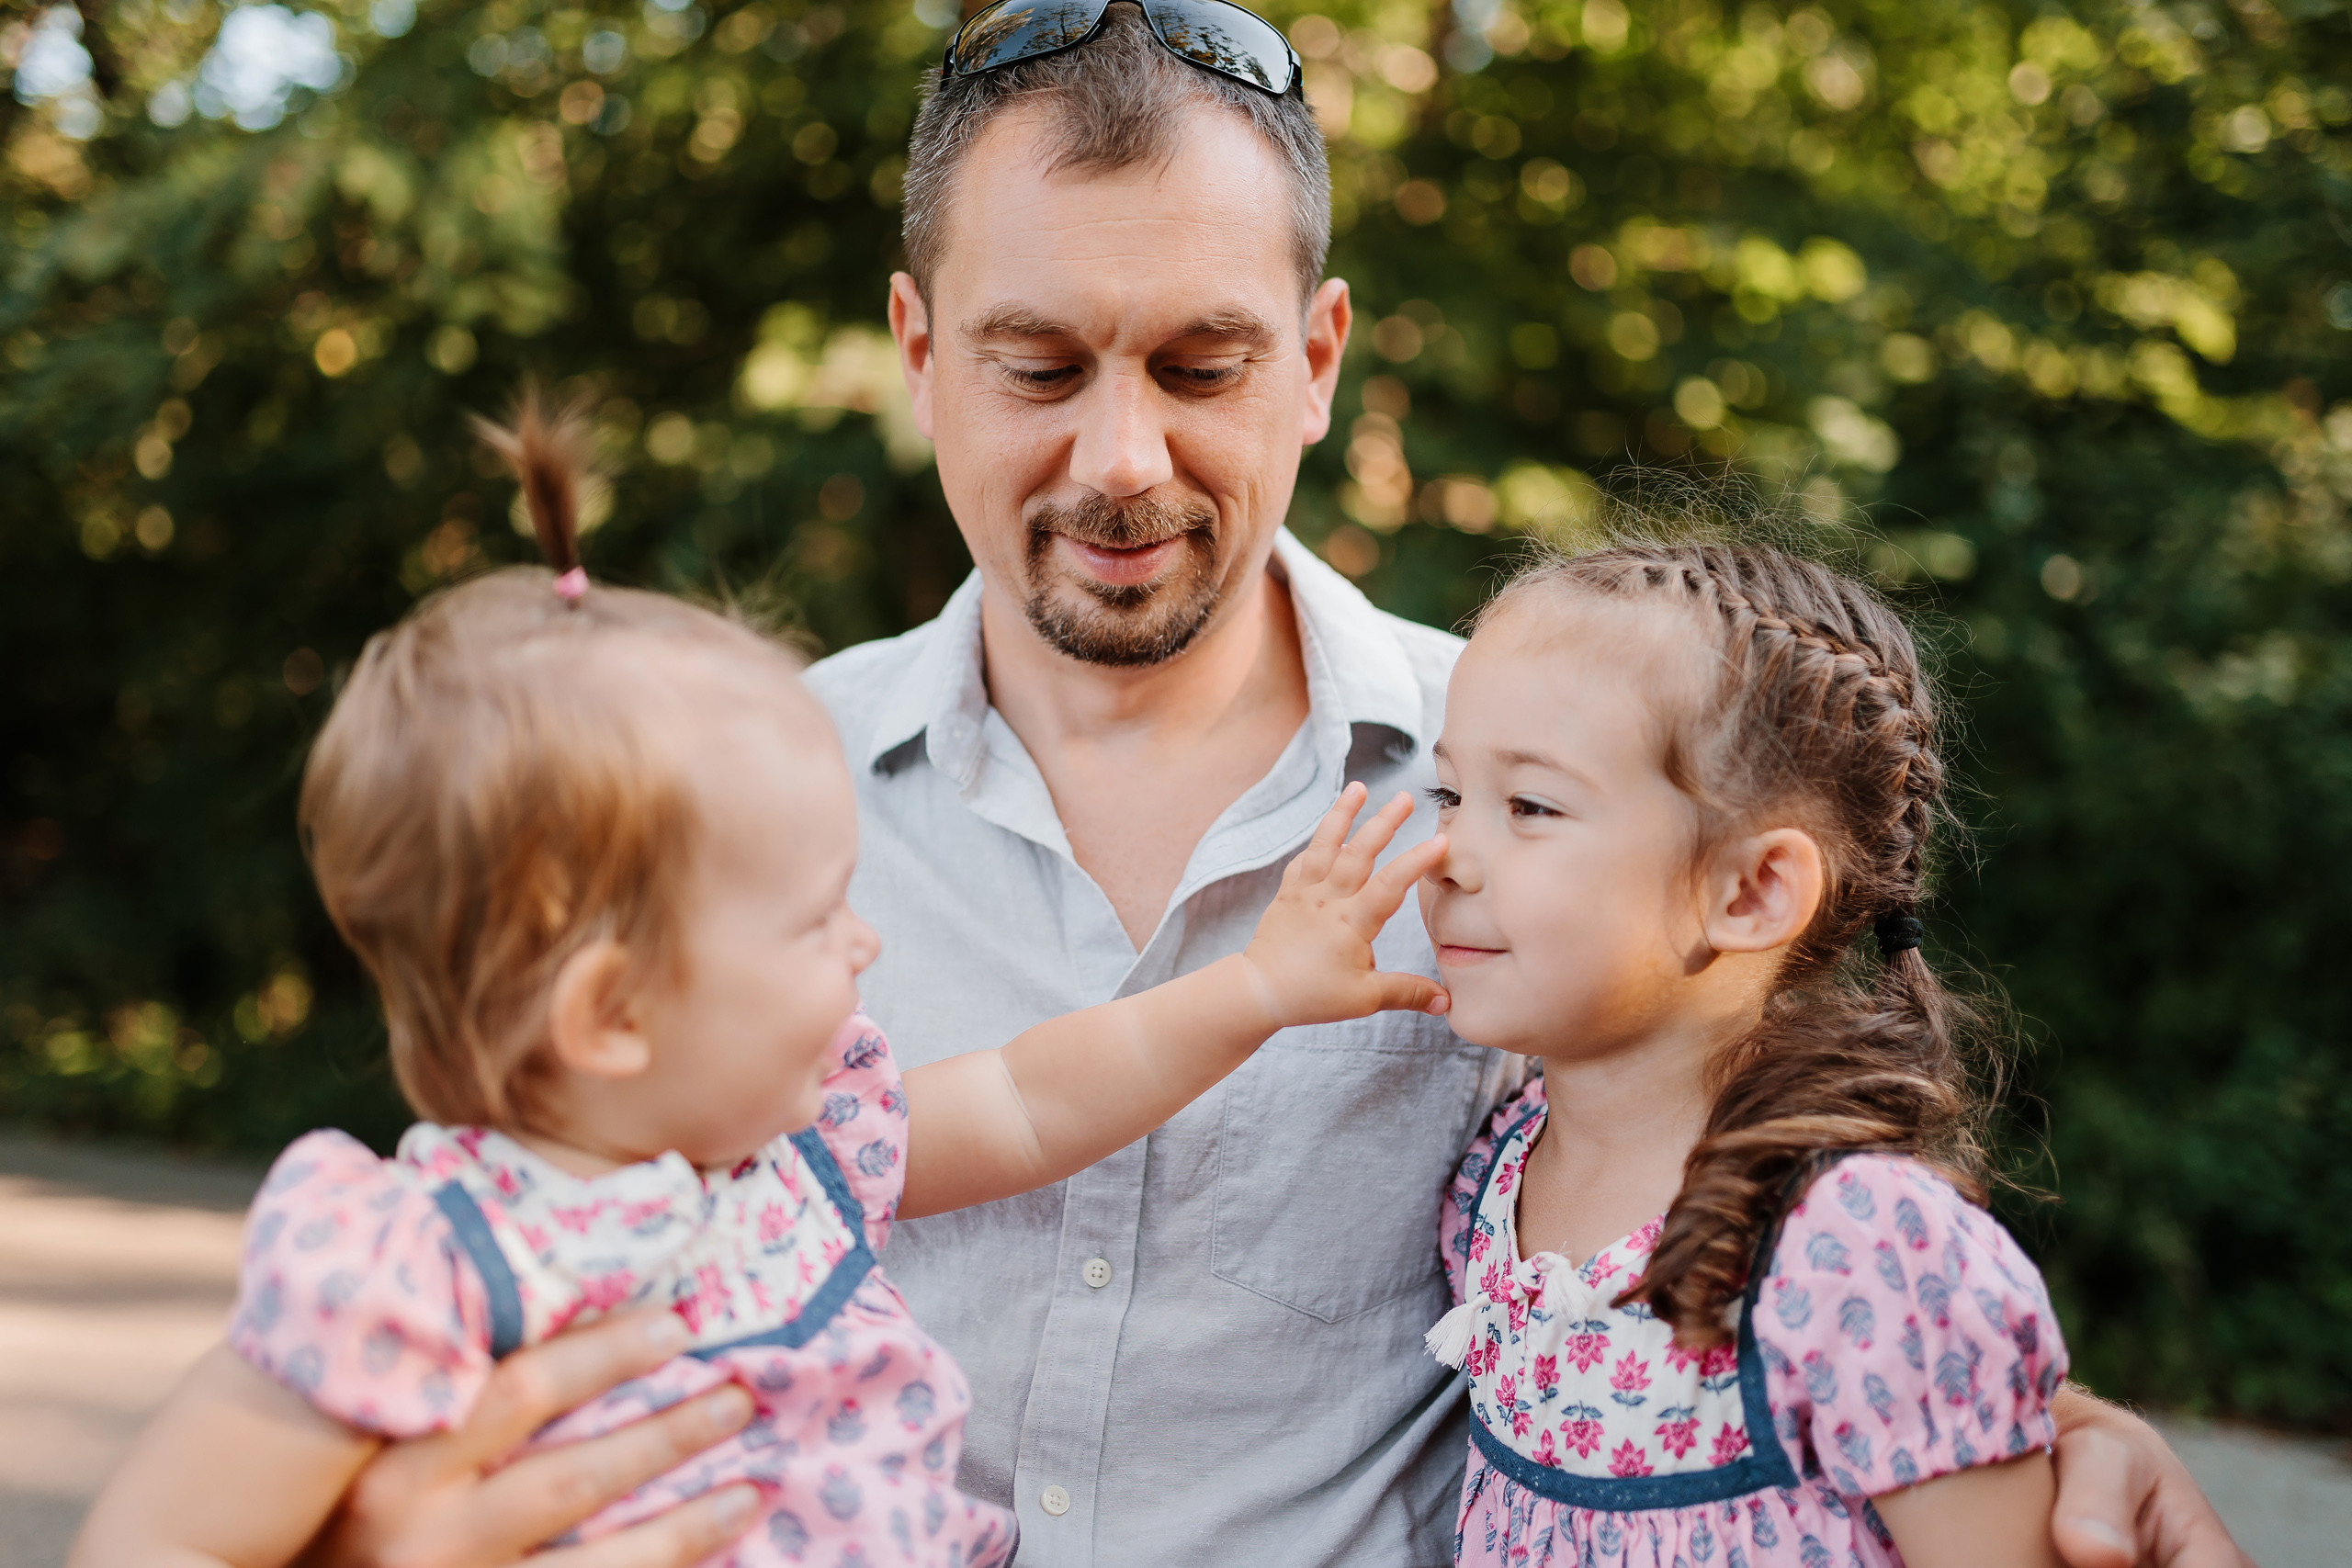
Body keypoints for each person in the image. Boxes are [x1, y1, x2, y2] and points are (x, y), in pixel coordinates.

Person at [294, 5, 2246, 1565]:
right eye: (1038, 366)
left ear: (1314, 358)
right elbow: (496, 1233)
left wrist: (2050, 1435)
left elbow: (1777, 1199)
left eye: (1200, 365)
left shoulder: (1556, 788)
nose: (1122, 458)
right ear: (915, 354)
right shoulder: (716, 799)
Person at [68, 400, 1450, 1568]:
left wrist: (1259, 985)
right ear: (610, 1013)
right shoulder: (421, 1263)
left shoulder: (799, 1157)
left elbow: (1037, 1095)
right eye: (810, 920)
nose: (865, 947)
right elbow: (155, 1535)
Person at [1421, 539, 2068, 1566]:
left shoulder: (1862, 1247)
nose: (1445, 853)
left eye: (1530, 807)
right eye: (1448, 795)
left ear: (1752, 891)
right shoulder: (1492, 1183)